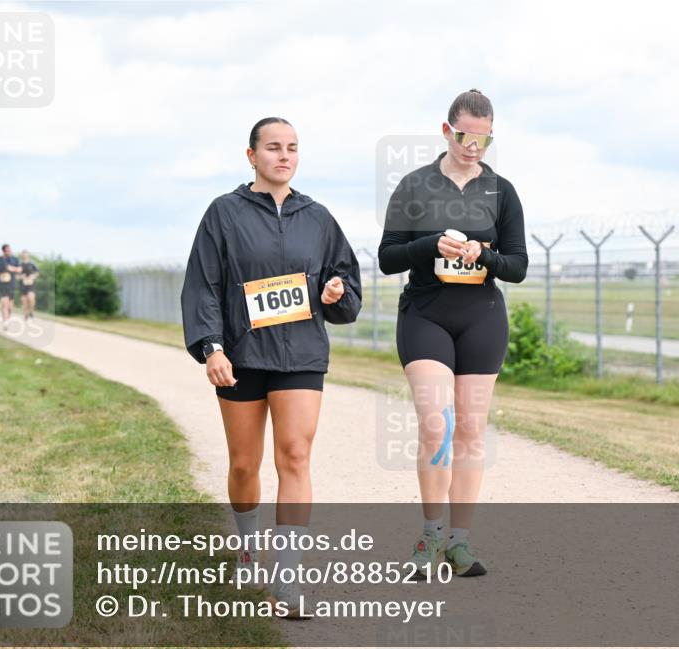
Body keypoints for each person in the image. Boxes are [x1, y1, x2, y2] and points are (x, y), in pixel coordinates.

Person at [181, 117, 362, 618]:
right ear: (251, 155)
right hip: (242, 355)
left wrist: (334, 293)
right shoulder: (224, 213)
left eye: (293, 148)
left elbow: (346, 288)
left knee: (296, 456)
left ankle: (289, 577)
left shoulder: (319, 217)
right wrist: (211, 347)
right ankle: (247, 546)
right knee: (244, 463)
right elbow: (204, 285)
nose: (284, 156)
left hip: (301, 354)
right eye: (274, 148)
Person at [379, 89, 528, 579]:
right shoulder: (415, 185)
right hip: (426, 314)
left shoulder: (502, 192)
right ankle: (430, 535)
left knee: (469, 429)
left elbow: (517, 266)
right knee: (436, 427)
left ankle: (460, 544)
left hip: (482, 315)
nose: (474, 147)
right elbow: (387, 257)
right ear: (447, 131)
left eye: (484, 139)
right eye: (466, 137)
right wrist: (429, 245)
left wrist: (482, 255)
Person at [0, 244, 21, 330]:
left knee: (10, 306)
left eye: (9, 250)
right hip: (1, 284)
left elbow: (20, 269)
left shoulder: (15, 259)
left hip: (11, 284)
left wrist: (12, 268)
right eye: (7, 250)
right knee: (4, 302)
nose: (9, 251)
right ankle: (5, 322)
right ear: (3, 251)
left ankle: (8, 319)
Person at [18, 250, 40, 320]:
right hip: (23, 284)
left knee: (31, 298)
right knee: (24, 301)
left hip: (31, 284)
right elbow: (16, 275)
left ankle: (31, 312)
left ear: (28, 255)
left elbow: (37, 272)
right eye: (23, 254)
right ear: (21, 255)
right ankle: (26, 315)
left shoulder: (32, 263)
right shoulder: (19, 264)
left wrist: (33, 276)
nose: (24, 255)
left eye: (26, 253)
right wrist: (21, 277)